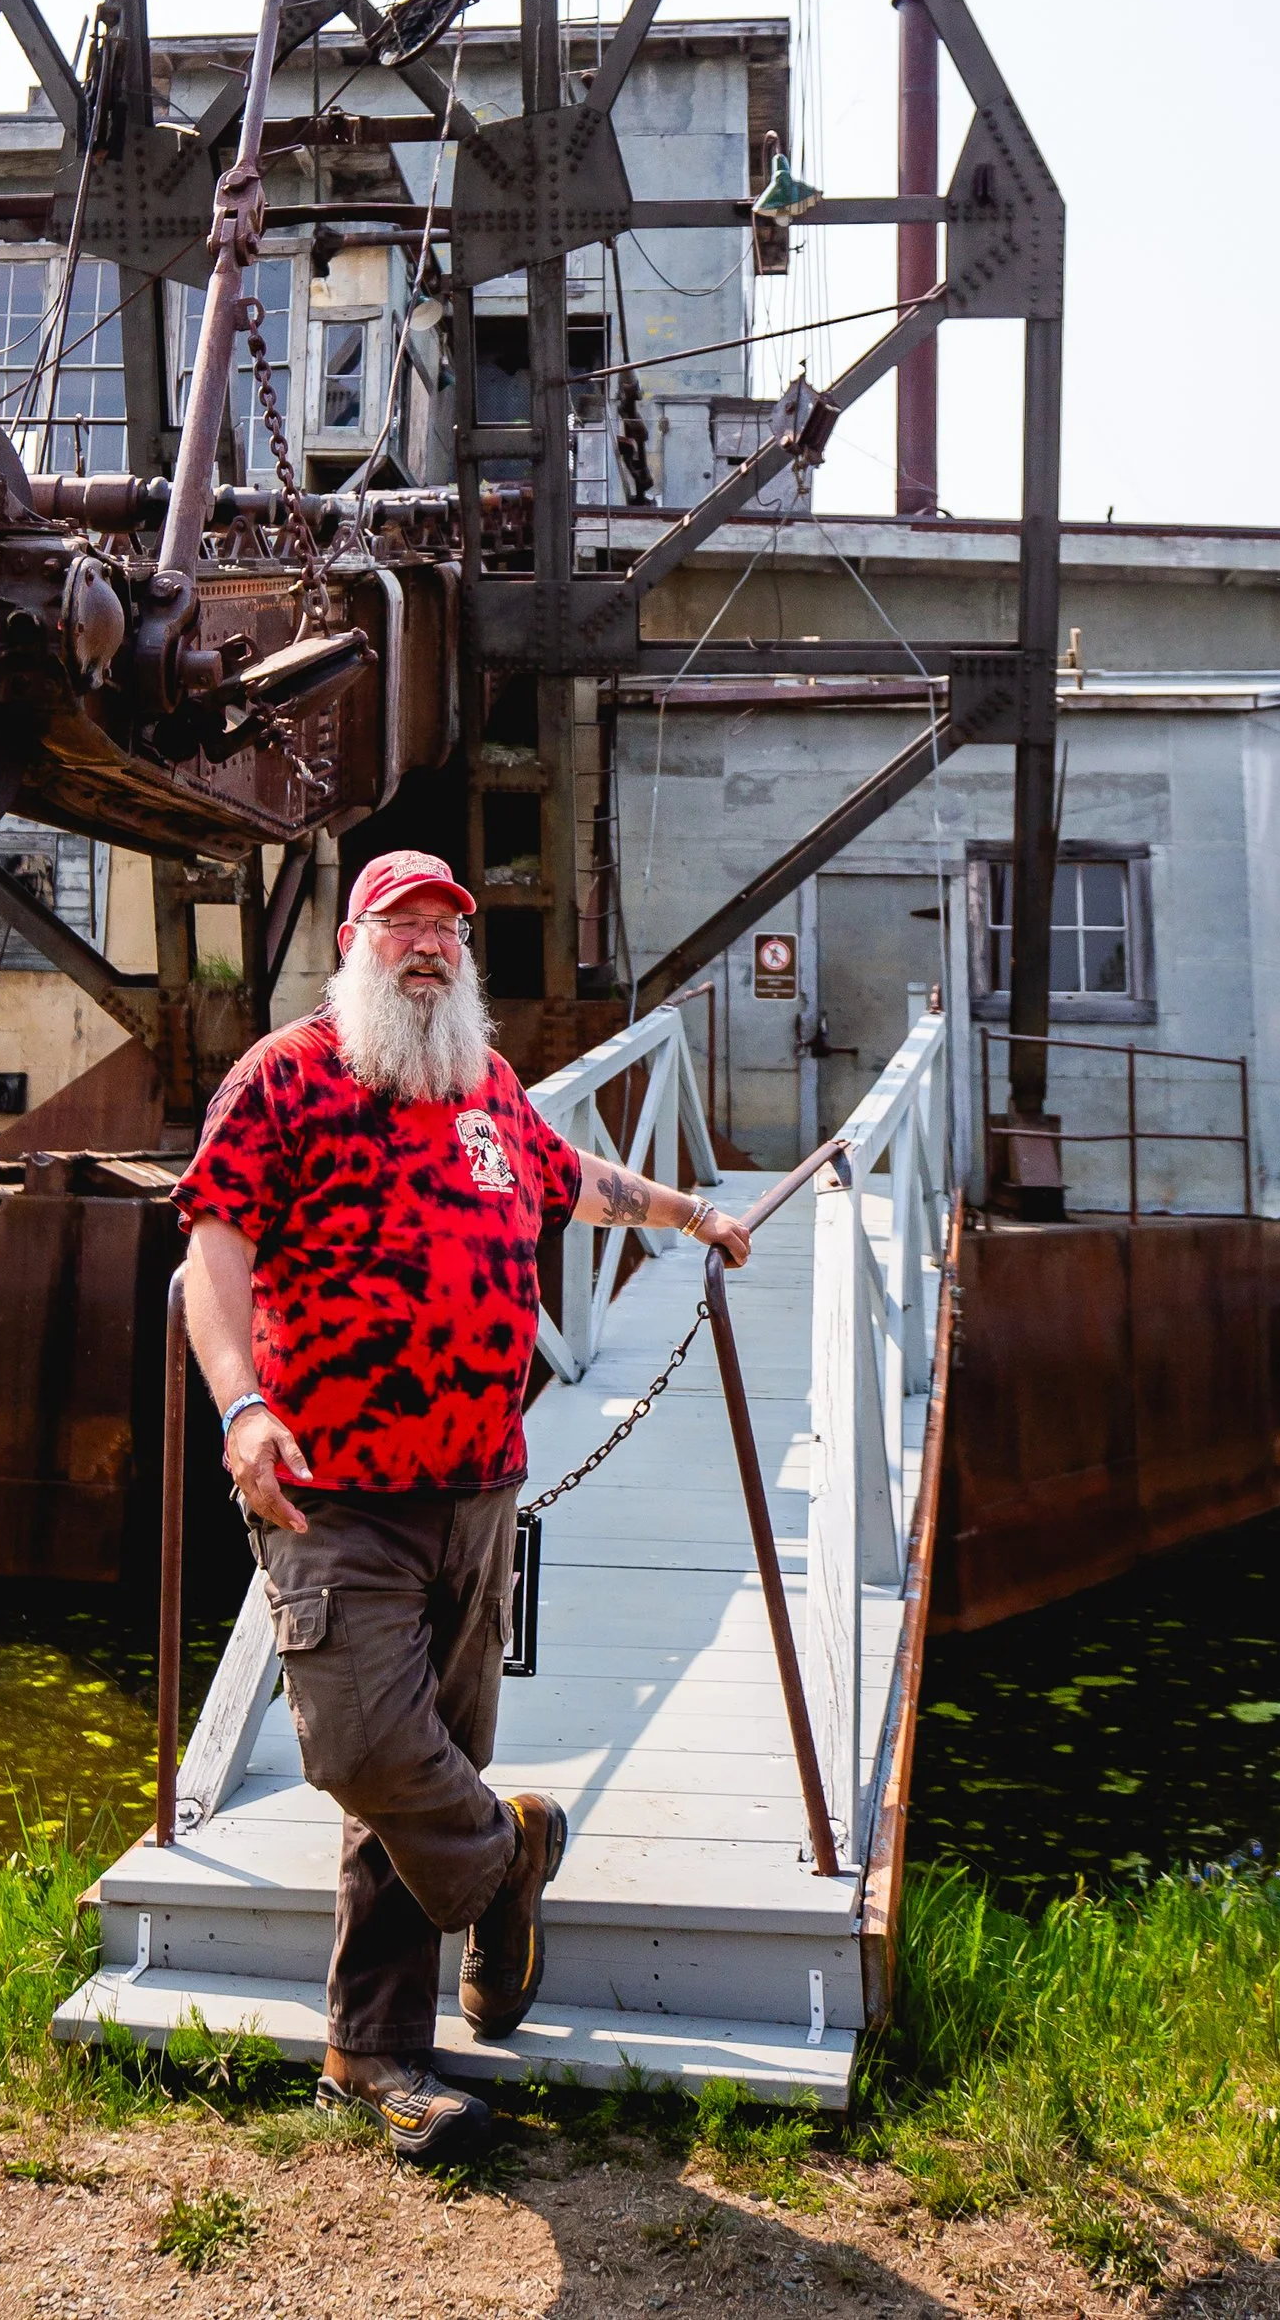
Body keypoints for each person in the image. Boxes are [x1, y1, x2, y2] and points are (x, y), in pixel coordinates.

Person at [177, 848, 752, 2166]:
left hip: (479, 1485)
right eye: (405, 925)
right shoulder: (285, 1078)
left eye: (448, 927)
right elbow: (211, 1244)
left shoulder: (487, 1087)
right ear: (355, 941)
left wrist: (695, 1213)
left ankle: (372, 2051)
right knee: (366, 1747)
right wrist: (239, 1405)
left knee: (418, 1769)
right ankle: (511, 1855)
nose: (430, 944)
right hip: (336, 1493)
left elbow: (582, 1181)